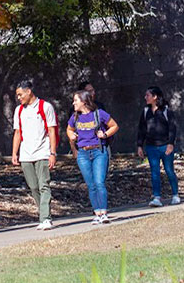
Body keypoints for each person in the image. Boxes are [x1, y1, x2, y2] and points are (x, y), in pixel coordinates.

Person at [66, 89, 118, 224]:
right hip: (83, 153)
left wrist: (105, 134)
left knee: (99, 182)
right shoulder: (75, 117)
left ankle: (104, 213)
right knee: (90, 184)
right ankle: (97, 212)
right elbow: (69, 129)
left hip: (98, 151)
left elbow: (114, 126)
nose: (74, 103)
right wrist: (71, 135)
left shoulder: (99, 114)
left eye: (76, 100)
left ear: (84, 101)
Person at [12, 80, 57, 230]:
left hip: (42, 152)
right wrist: (14, 153)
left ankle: (45, 218)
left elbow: (51, 131)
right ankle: (42, 213)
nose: (19, 98)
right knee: (33, 186)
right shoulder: (19, 110)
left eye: (20, 94)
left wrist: (52, 152)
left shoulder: (45, 107)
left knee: (44, 184)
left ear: (28, 91)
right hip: (26, 154)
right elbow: (17, 133)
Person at [136, 86, 180, 207]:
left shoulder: (166, 110)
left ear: (155, 97)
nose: (146, 98)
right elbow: (142, 129)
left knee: (169, 170)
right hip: (151, 146)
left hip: (165, 145)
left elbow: (172, 127)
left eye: (148, 95)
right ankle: (157, 197)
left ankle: (175, 194)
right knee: (154, 172)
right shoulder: (146, 111)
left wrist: (171, 143)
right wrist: (140, 145)